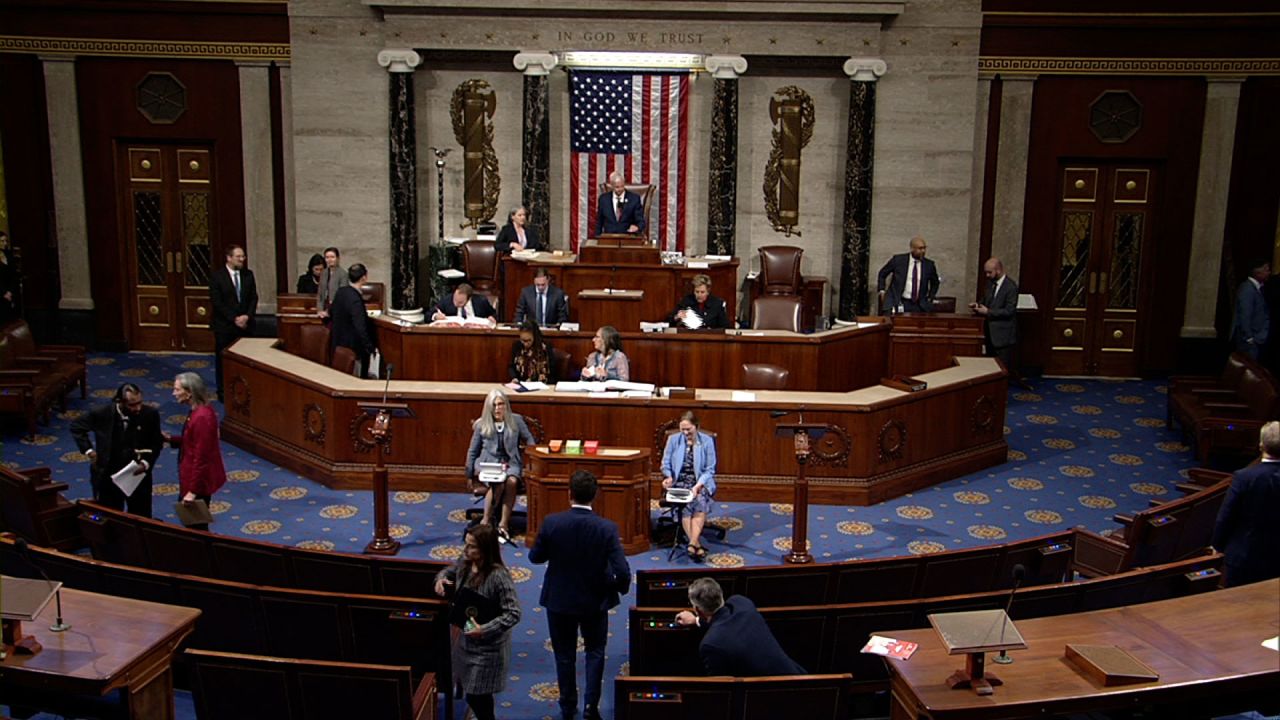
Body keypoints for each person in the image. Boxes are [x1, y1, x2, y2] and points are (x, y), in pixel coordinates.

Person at [529, 470, 631, 720]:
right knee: (595, 652)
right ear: (595, 495)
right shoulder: (606, 528)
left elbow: (535, 557)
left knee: (564, 655)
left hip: (559, 600)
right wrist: (617, 588)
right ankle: (590, 707)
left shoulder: (552, 522)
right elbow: (623, 571)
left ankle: (567, 706)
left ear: (569, 494)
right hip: (595, 601)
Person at [433, 524, 522, 720]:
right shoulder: (465, 562)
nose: (467, 550)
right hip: (466, 643)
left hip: (487, 649)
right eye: (466, 545)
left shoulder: (499, 576)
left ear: (485, 548)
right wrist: (440, 580)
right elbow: (448, 571)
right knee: (472, 693)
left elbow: (513, 613)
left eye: (472, 546)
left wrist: (484, 629)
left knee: (478, 696)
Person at [674, 577, 806, 676]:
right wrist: (696, 620)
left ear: (698, 609)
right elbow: (721, 619)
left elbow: (721, 688)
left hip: (773, 696)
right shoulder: (742, 603)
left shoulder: (711, 644)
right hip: (798, 675)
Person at [70, 383, 165, 518]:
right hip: (107, 475)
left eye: (140, 403)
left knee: (141, 517)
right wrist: (88, 450)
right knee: (110, 518)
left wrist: (145, 463)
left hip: (137, 476)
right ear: (119, 402)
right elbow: (76, 427)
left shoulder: (150, 414)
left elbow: (156, 443)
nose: (138, 408)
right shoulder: (101, 413)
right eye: (132, 405)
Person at [1211, 420, 1280, 587]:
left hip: (1244, 555)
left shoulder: (1245, 477)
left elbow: (1226, 515)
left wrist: (1217, 545)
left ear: (1261, 446)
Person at [465, 388, 535, 544]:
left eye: (501, 404)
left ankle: (503, 523)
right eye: (494, 405)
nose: (498, 409)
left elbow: (530, 440)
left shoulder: (516, 420)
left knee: (510, 482)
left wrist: (532, 459)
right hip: (488, 462)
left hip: (510, 462)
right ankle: (486, 520)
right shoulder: (481, 424)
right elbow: (472, 450)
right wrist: (469, 474)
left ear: (506, 405)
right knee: (498, 481)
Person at [166, 372, 227, 531]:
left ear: (189, 392)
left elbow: (202, 457)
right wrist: (171, 439)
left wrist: (193, 492)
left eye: (177, 389)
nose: (174, 393)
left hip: (197, 483)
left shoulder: (202, 417)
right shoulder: (197, 411)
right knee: (192, 525)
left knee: (196, 527)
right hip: (191, 478)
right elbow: (193, 442)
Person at [661, 411, 717, 561]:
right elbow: (665, 464)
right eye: (682, 429)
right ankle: (695, 544)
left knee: (699, 501)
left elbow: (710, 469)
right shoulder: (673, 440)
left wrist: (698, 485)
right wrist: (669, 476)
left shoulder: (706, 441)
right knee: (685, 504)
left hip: (700, 481)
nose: (685, 433)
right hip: (679, 480)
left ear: (696, 427)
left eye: (689, 429)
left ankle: (692, 543)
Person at [209, 245, 258, 402]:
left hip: (245, 325)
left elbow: (253, 298)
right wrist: (234, 318)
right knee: (224, 359)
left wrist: (247, 316)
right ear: (229, 258)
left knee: (245, 359)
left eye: (243, 256)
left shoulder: (248, 275)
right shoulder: (217, 277)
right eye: (239, 257)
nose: (242, 259)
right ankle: (223, 392)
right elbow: (217, 303)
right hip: (225, 326)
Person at [969, 257, 1018, 371]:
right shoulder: (990, 284)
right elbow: (985, 300)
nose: (987, 275)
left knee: (1001, 368)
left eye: (989, 272)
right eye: (986, 272)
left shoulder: (1011, 287)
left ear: (998, 270)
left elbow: (1009, 311)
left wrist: (988, 312)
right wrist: (977, 305)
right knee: (990, 367)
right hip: (989, 333)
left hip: (1002, 335)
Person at [329, 263, 376, 377]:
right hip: (353, 350)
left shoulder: (341, 292)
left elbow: (331, 312)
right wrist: (369, 347)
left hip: (338, 345)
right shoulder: (355, 300)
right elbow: (360, 327)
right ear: (364, 277)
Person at [877, 235, 941, 314]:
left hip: (919, 305)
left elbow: (935, 282)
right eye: (920, 248)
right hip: (898, 301)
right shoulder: (898, 260)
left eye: (924, 248)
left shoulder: (929, 265)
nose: (923, 251)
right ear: (912, 248)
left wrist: (930, 297)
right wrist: (882, 290)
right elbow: (882, 273)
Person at [1232, 259, 1271, 360]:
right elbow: (1245, 314)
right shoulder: (1247, 289)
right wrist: (1249, 338)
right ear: (1257, 272)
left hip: (1256, 339)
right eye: (1266, 270)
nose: (1269, 272)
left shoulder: (1258, 288)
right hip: (1249, 341)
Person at [593, 171, 645, 236]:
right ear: (611, 186)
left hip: (628, 237)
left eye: (622, 186)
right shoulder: (603, 199)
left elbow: (641, 221)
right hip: (608, 238)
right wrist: (597, 238)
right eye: (617, 187)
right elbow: (599, 221)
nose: (620, 189)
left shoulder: (634, 199)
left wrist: (637, 227)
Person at [508, 319, 557, 386]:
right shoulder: (517, 346)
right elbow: (511, 366)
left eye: (528, 340)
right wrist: (514, 378)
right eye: (523, 340)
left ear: (535, 337)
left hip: (542, 385)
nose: (525, 344)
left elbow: (553, 370)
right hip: (521, 384)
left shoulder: (545, 347)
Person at [432, 283, 497, 324]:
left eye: (460, 302)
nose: (456, 304)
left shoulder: (481, 301)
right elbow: (428, 314)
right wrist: (436, 316)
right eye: (455, 299)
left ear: (469, 298)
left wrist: (492, 317)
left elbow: (494, 314)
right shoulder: (447, 300)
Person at [315, 246, 348, 323]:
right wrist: (320, 310)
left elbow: (342, 296)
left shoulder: (343, 274)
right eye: (327, 257)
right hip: (323, 309)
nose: (329, 260)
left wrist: (329, 311)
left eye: (332, 257)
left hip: (336, 310)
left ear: (338, 258)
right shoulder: (323, 273)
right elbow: (320, 294)